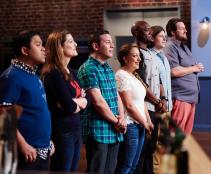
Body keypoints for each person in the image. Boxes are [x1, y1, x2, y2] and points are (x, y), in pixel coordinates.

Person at [0, 30, 53, 171]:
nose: (44, 49)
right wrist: (23, 145)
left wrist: (47, 142)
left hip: (42, 149)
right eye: (38, 45)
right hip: (26, 152)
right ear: (25, 50)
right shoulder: (11, 77)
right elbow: (4, 116)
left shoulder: (34, 75)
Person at [77, 30, 126, 174]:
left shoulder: (108, 68)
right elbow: (98, 102)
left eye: (112, 42)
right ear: (96, 46)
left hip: (114, 127)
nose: (112, 45)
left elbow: (117, 96)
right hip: (98, 128)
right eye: (107, 42)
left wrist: (121, 118)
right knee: (97, 171)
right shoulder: (88, 68)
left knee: (110, 171)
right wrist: (117, 122)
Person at [41, 30, 87, 172]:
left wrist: (75, 101)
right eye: (70, 41)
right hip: (62, 130)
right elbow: (69, 107)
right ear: (59, 47)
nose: (75, 44)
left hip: (76, 128)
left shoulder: (72, 72)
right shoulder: (53, 73)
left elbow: (87, 99)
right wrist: (78, 101)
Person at [131, 20, 165, 174]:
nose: (150, 33)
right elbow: (141, 82)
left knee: (151, 148)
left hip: (156, 106)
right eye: (146, 30)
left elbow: (158, 79)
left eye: (150, 30)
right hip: (145, 108)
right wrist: (156, 101)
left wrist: (162, 99)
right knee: (142, 149)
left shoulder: (151, 53)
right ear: (136, 33)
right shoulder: (136, 54)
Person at [115, 43, 154, 174]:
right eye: (135, 56)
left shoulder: (134, 76)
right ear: (125, 58)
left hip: (140, 125)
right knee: (126, 166)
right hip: (130, 125)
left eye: (139, 56)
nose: (139, 59)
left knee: (133, 165)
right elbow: (129, 105)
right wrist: (144, 123)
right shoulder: (121, 75)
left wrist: (148, 121)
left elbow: (141, 102)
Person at [163, 18, 204, 134]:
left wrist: (196, 66)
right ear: (172, 32)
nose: (185, 31)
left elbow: (187, 67)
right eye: (182, 29)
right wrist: (194, 68)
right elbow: (174, 71)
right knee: (176, 136)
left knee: (186, 137)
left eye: (185, 28)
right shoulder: (170, 47)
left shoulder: (184, 46)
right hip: (181, 98)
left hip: (191, 99)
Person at [149, 25, 173, 173]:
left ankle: (162, 168)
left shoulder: (163, 56)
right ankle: (156, 170)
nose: (164, 38)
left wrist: (170, 102)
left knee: (164, 141)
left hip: (168, 106)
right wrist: (160, 101)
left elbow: (167, 82)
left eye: (165, 36)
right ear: (152, 38)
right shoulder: (150, 57)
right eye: (160, 36)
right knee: (157, 141)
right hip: (157, 105)